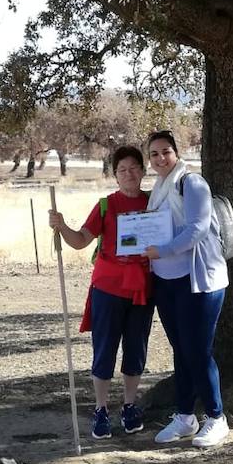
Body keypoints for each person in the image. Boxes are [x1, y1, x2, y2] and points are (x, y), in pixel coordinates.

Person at [48, 145, 153, 439]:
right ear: (115, 176)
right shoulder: (106, 205)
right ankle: (101, 409)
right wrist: (62, 225)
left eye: (134, 168)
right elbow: (81, 240)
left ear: (142, 171)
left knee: (136, 349)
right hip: (108, 289)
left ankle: (130, 406)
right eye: (122, 170)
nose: (129, 174)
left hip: (142, 290)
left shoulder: (155, 202)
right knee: (104, 349)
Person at [144, 129, 230, 449]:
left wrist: (160, 250)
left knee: (197, 351)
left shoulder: (191, 183)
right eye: (154, 154)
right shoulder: (159, 188)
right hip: (166, 282)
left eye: (165, 152)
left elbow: (197, 229)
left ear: (176, 153)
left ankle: (216, 417)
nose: (160, 158)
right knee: (182, 350)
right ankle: (184, 417)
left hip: (199, 281)